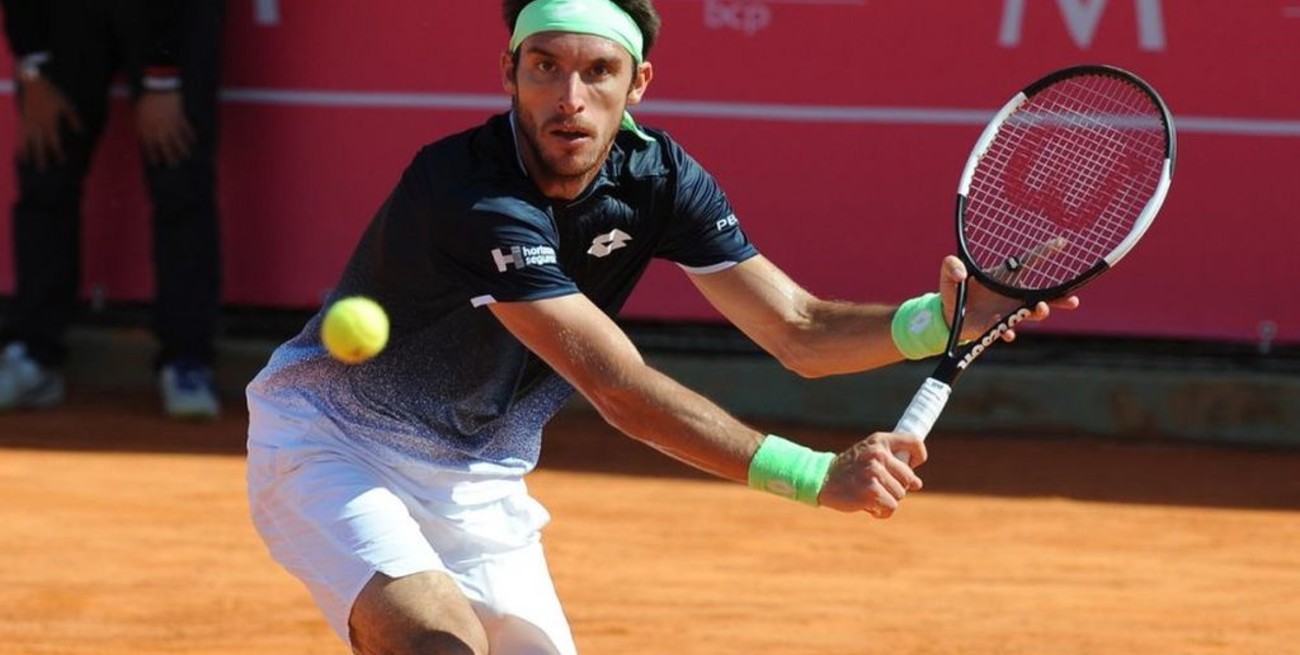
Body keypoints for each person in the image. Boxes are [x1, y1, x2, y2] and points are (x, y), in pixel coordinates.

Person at [245, 1, 1081, 653]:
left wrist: (946, 318)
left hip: (479, 479)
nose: (569, 99)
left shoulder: (660, 177)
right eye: (545, 67)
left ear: (638, 82)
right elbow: (619, 390)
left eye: (598, 71)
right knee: (438, 641)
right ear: (509, 70)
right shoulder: (466, 191)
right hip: (331, 441)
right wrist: (813, 474)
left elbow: (799, 328)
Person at [0, 0, 225, 418]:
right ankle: (34, 355)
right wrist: (33, 66)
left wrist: (162, 79)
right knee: (46, 165)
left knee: (179, 177)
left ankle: (187, 361)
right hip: (65, 19)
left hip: (173, 21)